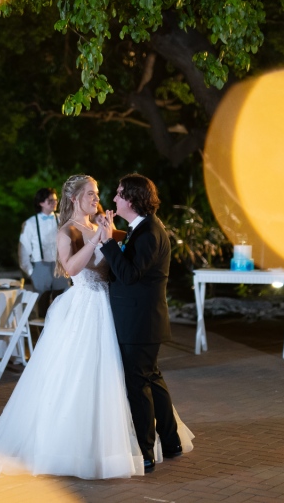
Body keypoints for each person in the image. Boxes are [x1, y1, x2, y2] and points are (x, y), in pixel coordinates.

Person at [0, 175, 192, 483]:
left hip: (111, 309)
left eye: (99, 193)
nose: (98, 196)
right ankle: (78, 445)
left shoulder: (105, 227)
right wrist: (97, 240)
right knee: (81, 376)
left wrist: (106, 233)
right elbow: (72, 268)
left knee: (121, 377)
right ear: (75, 198)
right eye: (91, 193)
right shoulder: (68, 230)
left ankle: (137, 441)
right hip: (85, 307)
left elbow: (127, 255)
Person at [98, 173, 184, 473]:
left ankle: (146, 453)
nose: (114, 199)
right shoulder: (141, 229)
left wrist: (108, 242)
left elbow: (130, 275)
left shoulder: (148, 233)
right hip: (142, 321)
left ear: (132, 199)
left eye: (120, 194)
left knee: (138, 386)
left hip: (140, 323)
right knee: (152, 381)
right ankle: (171, 443)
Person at [18, 188, 70, 318]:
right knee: (42, 306)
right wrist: (32, 272)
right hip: (40, 266)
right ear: (41, 203)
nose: (54, 203)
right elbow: (23, 249)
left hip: (59, 265)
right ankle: (43, 335)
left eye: (55, 200)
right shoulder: (30, 223)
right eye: (50, 200)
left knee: (62, 303)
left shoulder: (62, 220)